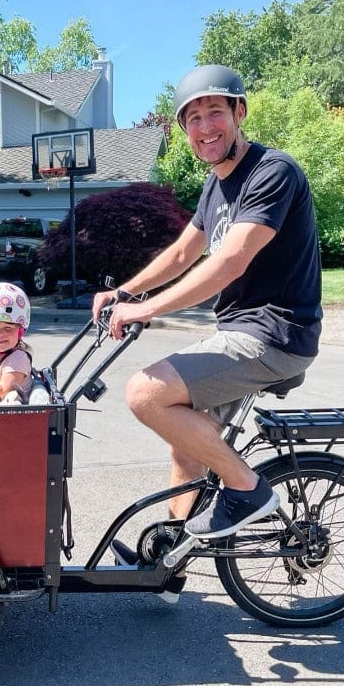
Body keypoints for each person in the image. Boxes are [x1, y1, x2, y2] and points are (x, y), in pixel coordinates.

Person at [92, 64, 322, 597]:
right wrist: (126, 294)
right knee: (183, 441)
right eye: (192, 118)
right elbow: (181, 253)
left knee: (145, 392)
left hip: (275, 334)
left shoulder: (273, 172)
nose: (205, 126)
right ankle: (170, 566)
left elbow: (229, 262)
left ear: (239, 113)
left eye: (214, 111)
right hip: (241, 329)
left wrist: (145, 312)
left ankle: (248, 491)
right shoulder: (215, 186)